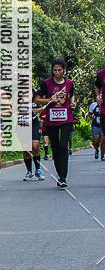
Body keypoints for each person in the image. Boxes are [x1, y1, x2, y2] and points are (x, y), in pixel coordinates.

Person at [36, 57, 76, 188]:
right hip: (51, 119)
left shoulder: (69, 83)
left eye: (59, 70)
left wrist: (73, 102)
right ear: (52, 70)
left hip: (66, 118)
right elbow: (37, 100)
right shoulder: (46, 83)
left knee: (64, 146)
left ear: (64, 70)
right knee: (56, 147)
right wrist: (49, 99)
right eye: (54, 70)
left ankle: (63, 177)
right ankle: (60, 174)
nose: (57, 73)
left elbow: (71, 96)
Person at [22, 88, 45, 180]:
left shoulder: (36, 93)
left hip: (34, 123)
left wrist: (41, 109)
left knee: (35, 146)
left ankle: (38, 170)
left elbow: (45, 103)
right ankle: (29, 171)